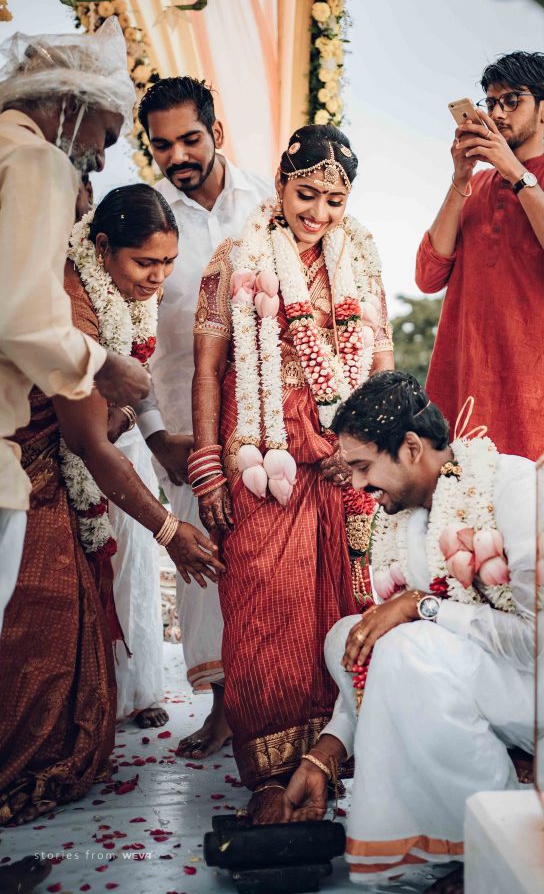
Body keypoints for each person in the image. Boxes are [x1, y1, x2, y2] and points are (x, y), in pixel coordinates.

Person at [278, 372, 544, 893]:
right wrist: (327, 753)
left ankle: (497, 836)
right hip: (514, 686)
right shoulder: (408, 521)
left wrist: (424, 607)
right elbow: (377, 659)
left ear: (411, 448)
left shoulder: (518, 488)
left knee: (411, 647)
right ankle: (489, 792)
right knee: (351, 636)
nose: (359, 486)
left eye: (364, 467)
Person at [0, 186, 224, 825]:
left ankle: (70, 741)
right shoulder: (77, 302)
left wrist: (155, 435)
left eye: (167, 263)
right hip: (31, 466)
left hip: (66, 452)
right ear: (101, 248)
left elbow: (132, 373)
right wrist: (169, 528)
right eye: (145, 265)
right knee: (41, 617)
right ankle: (26, 759)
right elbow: (87, 441)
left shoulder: (118, 290)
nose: (159, 279)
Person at [191, 124, 394, 820]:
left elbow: (380, 366)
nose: (319, 213)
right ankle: (268, 778)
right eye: (306, 194)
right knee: (260, 609)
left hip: (340, 460)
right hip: (261, 458)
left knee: (337, 607)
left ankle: (324, 761)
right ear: (279, 183)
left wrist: (371, 449)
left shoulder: (359, 258)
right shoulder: (233, 257)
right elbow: (206, 370)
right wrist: (209, 471)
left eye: (334, 201)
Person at [136, 77, 272, 757]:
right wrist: (155, 433)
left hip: (268, 422)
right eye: (162, 146)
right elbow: (125, 335)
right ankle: (222, 708)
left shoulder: (269, 202)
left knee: (273, 560)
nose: (178, 156)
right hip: (185, 428)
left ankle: (279, 700)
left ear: (216, 131)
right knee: (204, 569)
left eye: (190, 138)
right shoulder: (147, 216)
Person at [0, 18, 150, 636]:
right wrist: (105, 366)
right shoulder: (37, 160)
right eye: (107, 133)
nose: (102, 156)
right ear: (69, 101)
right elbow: (19, 315)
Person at [416, 51, 544, 462]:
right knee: (461, 527)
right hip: (463, 404)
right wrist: (460, 179)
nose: (497, 113)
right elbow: (427, 277)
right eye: (491, 103)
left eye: (512, 101)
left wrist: (518, 175)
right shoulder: (474, 187)